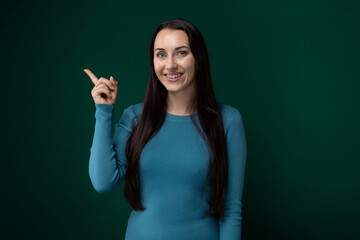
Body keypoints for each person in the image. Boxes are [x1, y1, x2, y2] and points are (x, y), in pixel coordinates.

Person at [85, 18, 247, 240]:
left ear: (198, 59)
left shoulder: (228, 120)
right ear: (153, 62)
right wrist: (104, 111)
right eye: (161, 54)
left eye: (181, 53)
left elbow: (231, 210)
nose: (170, 64)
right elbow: (102, 182)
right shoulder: (135, 117)